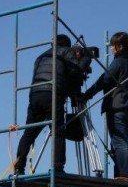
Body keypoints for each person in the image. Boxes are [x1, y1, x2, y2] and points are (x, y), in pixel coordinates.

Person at [13, 33, 83, 176]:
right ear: (67, 45)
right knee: (58, 130)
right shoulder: (66, 52)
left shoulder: (40, 56)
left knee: (29, 132)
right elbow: (75, 72)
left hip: (35, 94)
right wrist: (82, 63)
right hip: (52, 93)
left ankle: (18, 168)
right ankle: (57, 167)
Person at [82, 31, 128, 181]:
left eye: (113, 45)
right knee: (120, 142)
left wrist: (87, 95)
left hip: (117, 107)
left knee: (119, 142)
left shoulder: (119, 62)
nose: (111, 48)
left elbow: (104, 80)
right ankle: (120, 173)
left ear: (119, 46)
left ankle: (123, 174)